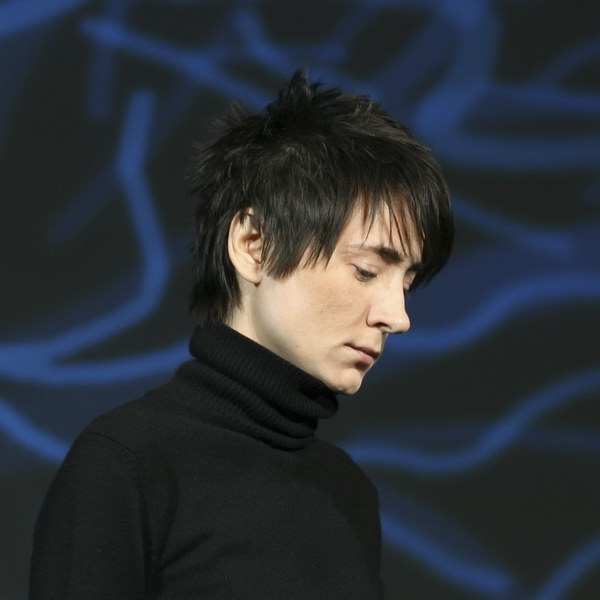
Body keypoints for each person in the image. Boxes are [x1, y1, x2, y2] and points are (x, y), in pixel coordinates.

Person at [29, 70, 453, 599]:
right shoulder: (128, 462)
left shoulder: (348, 491)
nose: (397, 316)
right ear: (254, 245)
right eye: (366, 271)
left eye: (406, 285)